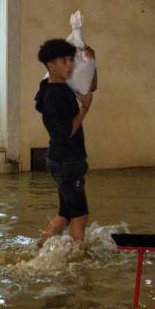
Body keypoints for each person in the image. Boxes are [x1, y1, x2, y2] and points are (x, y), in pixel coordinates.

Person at [35, 39, 97, 245]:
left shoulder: (49, 86)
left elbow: (90, 86)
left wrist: (92, 63)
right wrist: (85, 108)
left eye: (71, 60)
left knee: (66, 213)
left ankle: (40, 248)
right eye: (64, 61)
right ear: (50, 65)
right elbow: (66, 132)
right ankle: (78, 262)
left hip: (60, 159)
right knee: (80, 216)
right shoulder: (56, 95)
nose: (70, 65)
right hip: (68, 161)